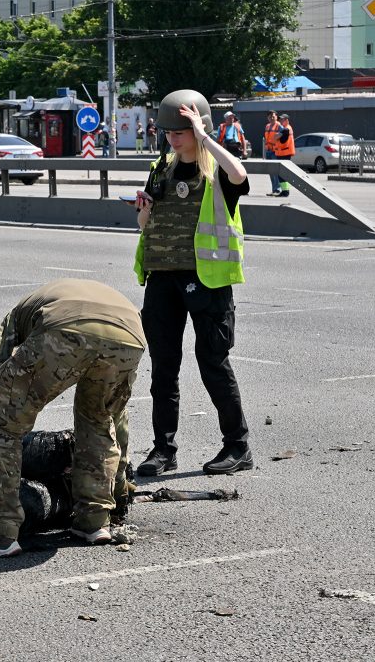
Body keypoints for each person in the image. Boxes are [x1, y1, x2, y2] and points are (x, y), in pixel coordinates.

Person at [0, 279, 146, 557]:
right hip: (130, 336)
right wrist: (120, 487)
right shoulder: (74, 295)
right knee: (100, 420)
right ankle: (93, 521)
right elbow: (118, 419)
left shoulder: (17, 316)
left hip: (65, 329)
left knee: (5, 424)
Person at [131, 89, 253, 478]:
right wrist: (143, 212)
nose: (173, 137)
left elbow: (241, 174)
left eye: (181, 130)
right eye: (168, 131)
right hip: (163, 278)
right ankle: (163, 450)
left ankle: (238, 446)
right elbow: (144, 225)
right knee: (163, 369)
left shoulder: (216, 173)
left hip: (206, 281)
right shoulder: (160, 168)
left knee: (212, 364)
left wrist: (204, 136)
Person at [272, 113, 295, 198]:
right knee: (282, 174)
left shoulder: (286, 129)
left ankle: (285, 192)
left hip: (284, 154)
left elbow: (276, 138)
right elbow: (276, 137)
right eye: (280, 119)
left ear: (287, 120)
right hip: (283, 153)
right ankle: (285, 191)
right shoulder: (286, 129)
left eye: (282, 119)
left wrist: (276, 135)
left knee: (282, 174)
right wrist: (276, 135)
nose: (280, 121)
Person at [263, 110, 282, 196]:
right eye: (270, 116)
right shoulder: (267, 126)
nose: (272, 117)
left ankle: (278, 189)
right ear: (267, 118)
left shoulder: (279, 125)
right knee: (271, 171)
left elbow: (283, 135)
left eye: (273, 116)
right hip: (269, 151)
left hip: (275, 151)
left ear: (276, 116)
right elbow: (266, 138)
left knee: (275, 171)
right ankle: (274, 189)